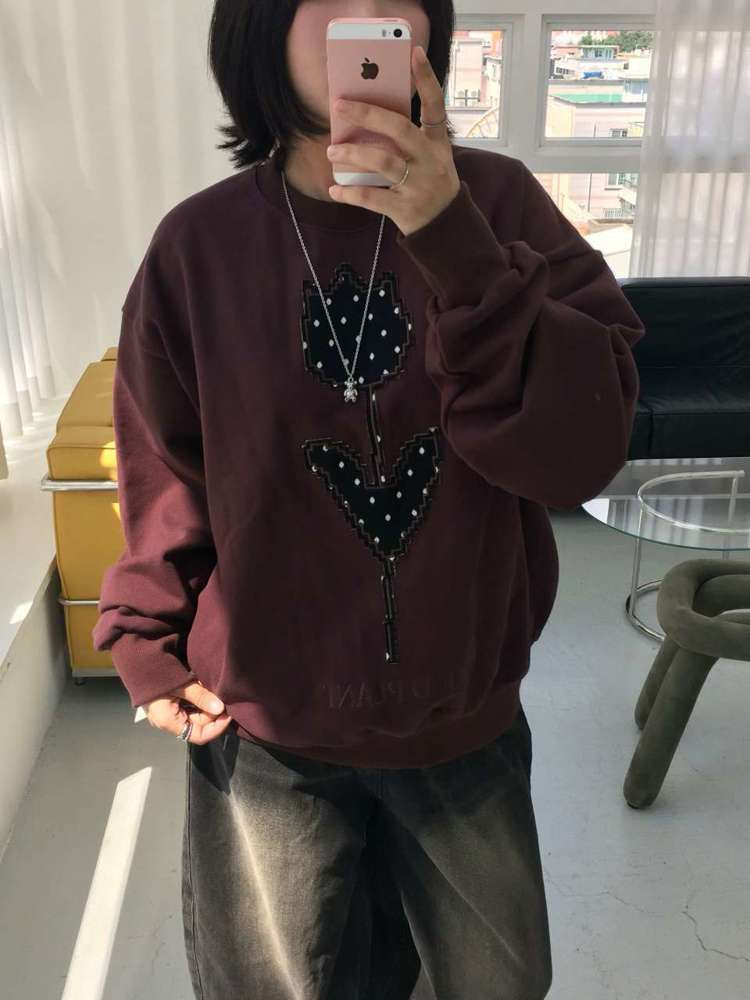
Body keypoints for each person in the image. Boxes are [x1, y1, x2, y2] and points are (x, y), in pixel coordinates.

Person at [92, 2, 646, 998]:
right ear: (259, 25)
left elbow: (579, 455)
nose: (376, 15)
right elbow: (167, 466)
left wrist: (452, 238)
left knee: (496, 983)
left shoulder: (500, 206)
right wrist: (146, 632)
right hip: (265, 722)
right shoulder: (199, 247)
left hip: (462, 716)